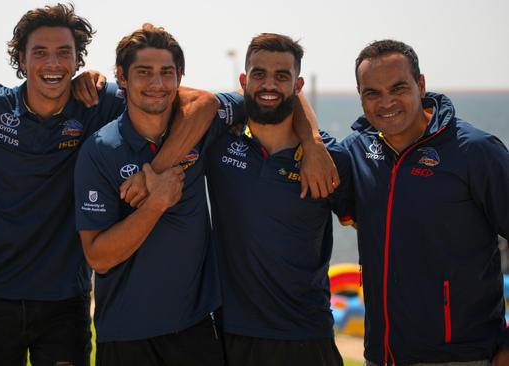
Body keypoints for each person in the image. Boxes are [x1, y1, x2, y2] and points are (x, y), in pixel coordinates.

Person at [0, 4, 222, 365]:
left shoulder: (98, 101)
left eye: (64, 52)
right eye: (40, 52)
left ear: (78, 59)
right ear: (22, 57)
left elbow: (201, 102)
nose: (53, 63)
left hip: (63, 299)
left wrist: (156, 171)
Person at [74, 23, 248, 366]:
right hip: (125, 335)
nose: (156, 84)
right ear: (121, 78)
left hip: (196, 328)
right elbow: (98, 257)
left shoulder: (200, 124)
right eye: (144, 72)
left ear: (180, 76)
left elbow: (270, 96)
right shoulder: (99, 151)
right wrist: (156, 203)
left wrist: (315, 146)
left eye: (166, 72)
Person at [341, 39, 509, 366]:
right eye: (372, 93)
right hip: (381, 356)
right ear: (360, 96)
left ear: (421, 85)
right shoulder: (356, 153)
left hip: (464, 357)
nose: (386, 102)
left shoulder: (475, 151)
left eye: (398, 87)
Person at [204, 33, 350, 366]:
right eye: (259, 74)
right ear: (243, 81)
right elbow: (182, 103)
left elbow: (372, 229)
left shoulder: (331, 159)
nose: (269, 84)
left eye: (282, 76)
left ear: (298, 85)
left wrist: (313, 144)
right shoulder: (218, 145)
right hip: (232, 336)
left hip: (307, 337)